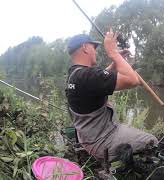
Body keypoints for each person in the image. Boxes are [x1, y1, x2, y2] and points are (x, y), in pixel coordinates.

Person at [65, 29, 158, 162]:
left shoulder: (74, 75)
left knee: (131, 132)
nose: (95, 51)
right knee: (151, 141)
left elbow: (99, 78)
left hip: (89, 138)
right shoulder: (87, 76)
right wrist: (113, 53)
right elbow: (132, 80)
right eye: (94, 47)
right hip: (104, 141)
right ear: (85, 48)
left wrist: (116, 62)